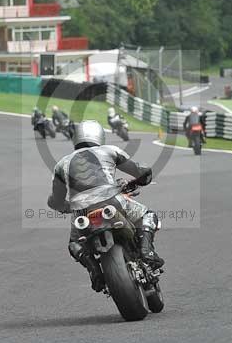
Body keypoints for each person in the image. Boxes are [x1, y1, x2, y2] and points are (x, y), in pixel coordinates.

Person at [47, 120, 163, 292]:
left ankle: (94, 271)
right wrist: (143, 178)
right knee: (148, 215)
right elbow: (140, 171)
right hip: (112, 201)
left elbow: (55, 201)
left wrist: (67, 207)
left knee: (74, 244)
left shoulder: (61, 164)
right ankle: (147, 251)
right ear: (99, 135)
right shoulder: (109, 150)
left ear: (75, 137)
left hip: (80, 212)